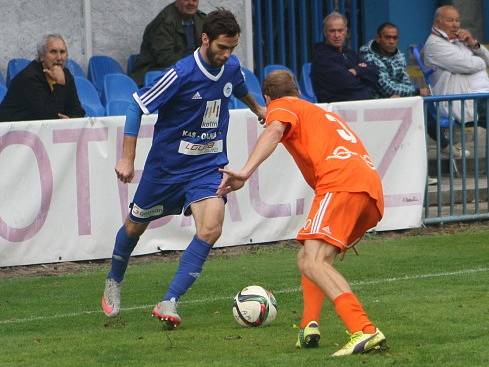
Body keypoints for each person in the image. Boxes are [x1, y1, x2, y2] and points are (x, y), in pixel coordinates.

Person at [101, 9, 266, 329]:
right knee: (134, 228)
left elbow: (239, 85)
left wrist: (258, 107)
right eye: (222, 47)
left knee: (211, 227)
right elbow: (136, 106)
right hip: (167, 169)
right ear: (205, 39)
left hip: (207, 167)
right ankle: (114, 279)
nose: (227, 54)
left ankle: (170, 300)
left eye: (232, 48)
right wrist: (126, 158)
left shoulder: (230, 66)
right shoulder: (181, 73)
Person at [217, 70, 387, 357]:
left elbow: (274, 129)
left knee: (314, 260)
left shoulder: (283, 107)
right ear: (297, 90)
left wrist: (245, 172)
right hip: (368, 187)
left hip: (341, 182)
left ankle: (364, 329)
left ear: (268, 98)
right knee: (309, 259)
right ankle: (309, 325)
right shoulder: (313, 110)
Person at [423, 5, 489, 126]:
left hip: (480, 96)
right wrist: (481, 62)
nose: (456, 25)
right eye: (450, 20)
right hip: (462, 102)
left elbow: (487, 59)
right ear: (437, 23)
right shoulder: (435, 44)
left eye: (457, 20)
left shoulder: (459, 40)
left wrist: (473, 43)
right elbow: (468, 65)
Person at [0, 34, 84, 122]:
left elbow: (78, 111)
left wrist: (70, 119)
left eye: (62, 52)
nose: (59, 57)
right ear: (41, 56)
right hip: (11, 132)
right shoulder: (28, 78)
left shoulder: (66, 74)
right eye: (53, 52)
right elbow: (47, 117)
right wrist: (60, 84)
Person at [130, 0, 206, 86]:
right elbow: (165, 59)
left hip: (187, 72)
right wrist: (196, 66)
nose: (191, 3)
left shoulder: (202, 19)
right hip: (156, 74)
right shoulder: (165, 21)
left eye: (194, 0)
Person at [311, 12, 378, 103]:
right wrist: (362, 75)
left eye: (340, 30)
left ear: (346, 31)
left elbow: (374, 73)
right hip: (335, 109)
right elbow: (345, 83)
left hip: (361, 104)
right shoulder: (321, 57)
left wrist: (356, 71)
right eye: (332, 31)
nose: (337, 35)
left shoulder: (350, 53)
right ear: (325, 33)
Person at [360, 22, 429, 98]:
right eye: (387, 37)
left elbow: (406, 80)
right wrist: (416, 91)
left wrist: (403, 94)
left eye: (394, 38)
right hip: (375, 105)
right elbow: (387, 88)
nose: (391, 41)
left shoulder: (398, 54)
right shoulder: (368, 57)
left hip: (398, 102)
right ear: (378, 38)